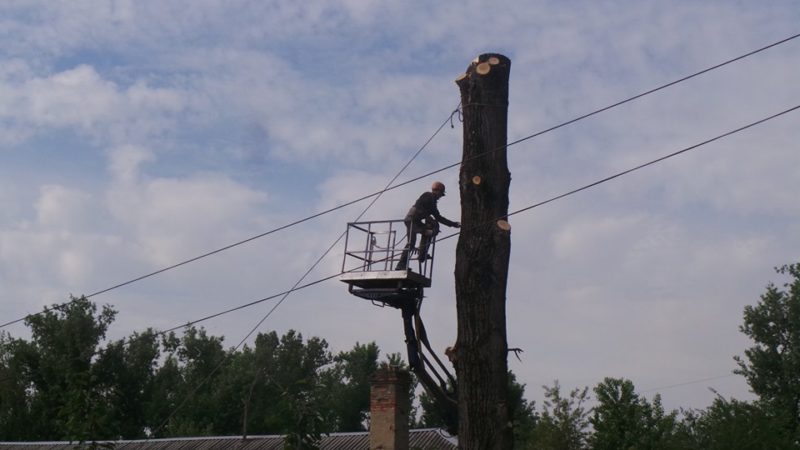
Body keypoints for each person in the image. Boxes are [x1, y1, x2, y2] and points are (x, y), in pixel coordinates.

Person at [395, 181, 460, 270]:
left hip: (416, 221)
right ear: (437, 191)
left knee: (430, 231)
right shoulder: (427, 195)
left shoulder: (433, 204)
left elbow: (439, 218)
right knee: (411, 243)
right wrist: (428, 218)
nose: (440, 197)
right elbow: (419, 208)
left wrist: (453, 224)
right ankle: (401, 265)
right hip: (411, 220)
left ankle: (422, 254)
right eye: (441, 194)